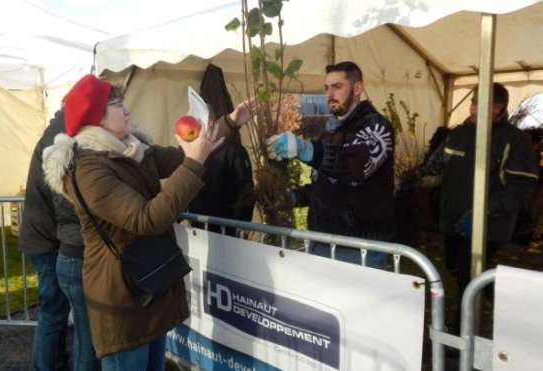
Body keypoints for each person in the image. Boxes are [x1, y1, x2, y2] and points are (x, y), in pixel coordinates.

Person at [41, 74, 253, 370]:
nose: (127, 111)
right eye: (118, 105)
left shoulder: (129, 149)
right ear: (96, 117)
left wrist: (229, 123)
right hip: (122, 299)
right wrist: (193, 164)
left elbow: (184, 155)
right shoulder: (88, 168)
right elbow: (146, 219)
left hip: (148, 286)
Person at [419, 82, 539, 329]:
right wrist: (415, 179)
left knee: (466, 274)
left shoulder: (515, 141)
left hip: (490, 225)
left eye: (479, 103)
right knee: (454, 267)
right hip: (454, 220)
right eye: (472, 102)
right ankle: (500, 296)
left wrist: (485, 211)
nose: (472, 107)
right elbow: (434, 168)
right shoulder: (457, 134)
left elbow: (521, 185)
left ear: (498, 107)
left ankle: (462, 333)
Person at [262, 61, 396, 268]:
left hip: (359, 249)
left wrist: (306, 149)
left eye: (337, 86)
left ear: (357, 88)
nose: (329, 93)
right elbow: (324, 185)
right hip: (322, 241)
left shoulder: (376, 126)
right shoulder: (330, 132)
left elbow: (357, 165)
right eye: (326, 87)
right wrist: (290, 198)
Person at [19, 107, 99, 370]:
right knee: (54, 311)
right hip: (47, 242)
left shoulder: (58, 132)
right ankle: (45, 365)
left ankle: (54, 360)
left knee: (57, 310)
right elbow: (65, 200)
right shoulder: (61, 140)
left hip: (46, 238)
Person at [187, 104, 255, 236]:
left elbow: (246, 193)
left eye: (193, 120)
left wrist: (236, 228)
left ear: (209, 122)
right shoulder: (189, 154)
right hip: (198, 231)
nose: (188, 126)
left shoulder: (234, 152)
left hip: (226, 234)